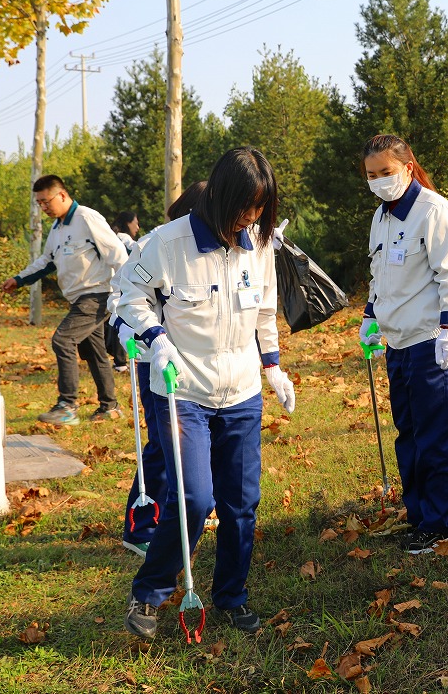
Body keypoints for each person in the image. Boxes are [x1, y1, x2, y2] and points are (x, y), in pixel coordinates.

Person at [116, 151, 294, 641]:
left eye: (260, 208)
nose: (251, 218)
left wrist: (273, 365)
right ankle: (150, 591)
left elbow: (265, 310)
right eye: (245, 206)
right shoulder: (166, 243)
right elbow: (128, 296)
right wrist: (156, 340)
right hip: (182, 390)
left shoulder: (258, 243)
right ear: (219, 195)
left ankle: (231, 596)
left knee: (242, 502)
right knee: (195, 498)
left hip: (241, 392)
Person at [359, 134, 448, 555]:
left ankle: (443, 526)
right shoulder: (380, 217)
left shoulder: (432, 209)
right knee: (408, 434)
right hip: (398, 343)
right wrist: (371, 316)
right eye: (371, 175)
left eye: (385, 172)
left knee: (434, 436)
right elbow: (379, 276)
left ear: (407, 168)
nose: (379, 181)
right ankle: (420, 516)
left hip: (431, 342)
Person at [113, 183, 206, 557]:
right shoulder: (154, 243)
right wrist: (128, 329)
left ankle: (184, 511)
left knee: (192, 444)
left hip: (196, 365)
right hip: (156, 363)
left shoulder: (211, 246)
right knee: (164, 444)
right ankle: (141, 525)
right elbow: (122, 294)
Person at [1, 174, 127, 425]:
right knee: (94, 353)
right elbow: (47, 261)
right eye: (39, 203)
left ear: (62, 195)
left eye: (46, 201)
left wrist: (125, 292)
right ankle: (110, 407)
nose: (43, 207)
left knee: (63, 340)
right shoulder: (57, 228)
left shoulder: (87, 218)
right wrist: (19, 279)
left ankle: (67, 405)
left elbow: (118, 255)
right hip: (78, 298)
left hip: (97, 294)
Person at [107, 211, 141, 371]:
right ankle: (120, 361)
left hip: (107, 285)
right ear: (128, 223)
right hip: (118, 286)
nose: (138, 227)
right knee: (120, 320)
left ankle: (116, 357)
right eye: (136, 222)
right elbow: (138, 250)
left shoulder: (112, 236)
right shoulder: (123, 238)